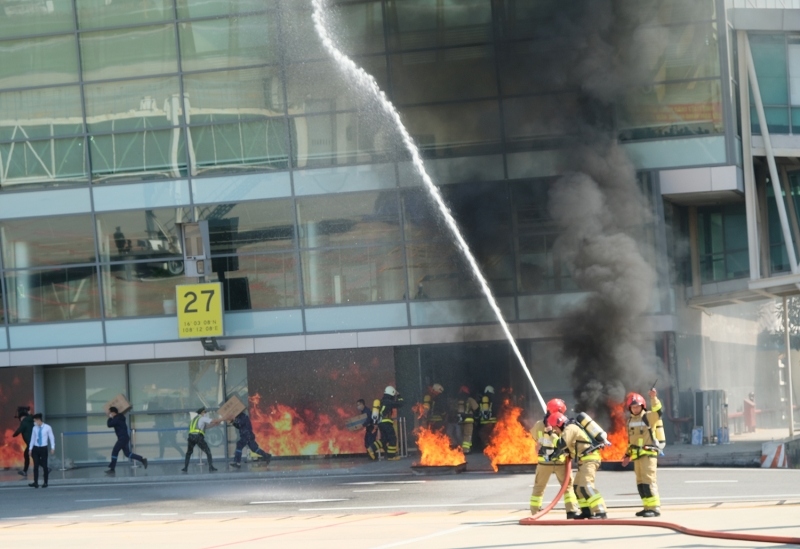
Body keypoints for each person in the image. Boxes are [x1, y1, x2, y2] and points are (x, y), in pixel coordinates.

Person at [548, 411, 607, 519]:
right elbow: (572, 446)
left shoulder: (570, 428)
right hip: (583, 461)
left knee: (586, 485)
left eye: (555, 428)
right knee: (577, 487)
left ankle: (601, 511)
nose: (555, 431)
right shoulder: (570, 429)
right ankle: (586, 511)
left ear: (559, 424)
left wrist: (551, 435)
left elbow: (562, 444)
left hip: (589, 459)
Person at [529, 398, 579, 519]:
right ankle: (571, 511)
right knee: (567, 487)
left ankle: (535, 512)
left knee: (539, 487)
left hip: (544, 463)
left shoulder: (538, 425)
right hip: (561, 461)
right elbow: (566, 441)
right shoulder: (563, 424)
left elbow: (535, 438)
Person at [621, 389, 666, 518]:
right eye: (633, 407)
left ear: (642, 406)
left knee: (649, 481)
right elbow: (631, 441)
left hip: (648, 455)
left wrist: (653, 398)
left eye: (637, 406)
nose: (635, 409)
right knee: (640, 483)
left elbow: (659, 412)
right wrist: (627, 455)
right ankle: (647, 507)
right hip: (637, 457)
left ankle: (655, 508)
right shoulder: (630, 421)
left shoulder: (648, 417)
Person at [105, 406, 148, 474]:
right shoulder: (120, 417)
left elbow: (109, 424)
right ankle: (142, 460)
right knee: (127, 454)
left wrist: (110, 417)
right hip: (124, 438)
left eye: (110, 412)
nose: (109, 414)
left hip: (122, 438)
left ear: (113, 413)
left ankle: (112, 468)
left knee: (115, 451)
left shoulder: (117, 419)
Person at [367, 386, 404, 461]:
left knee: (384, 439)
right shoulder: (388, 401)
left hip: (381, 423)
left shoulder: (382, 401)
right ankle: (391, 456)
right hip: (386, 423)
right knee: (392, 438)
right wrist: (399, 395)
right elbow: (400, 404)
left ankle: (371, 448)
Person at [181, 407, 221, 473]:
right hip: (198, 437)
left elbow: (205, 427)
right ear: (202, 413)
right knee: (208, 451)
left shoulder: (194, 419)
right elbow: (214, 420)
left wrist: (214, 425)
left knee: (189, 452)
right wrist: (222, 419)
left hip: (191, 437)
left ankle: (185, 468)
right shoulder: (202, 418)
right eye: (205, 412)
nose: (206, 413)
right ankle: (211, 467)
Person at [28, 413, 54, 489]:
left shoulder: (47, 427)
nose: (34, 422)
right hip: (36, 448)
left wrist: (52, 447)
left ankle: (45, 482)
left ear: (39, 420)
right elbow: (32, 438)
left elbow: (51, 438)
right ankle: (35, 482)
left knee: (44, 466)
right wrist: (30, 448)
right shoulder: (34, 428)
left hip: (43, 448)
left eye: (35, 421)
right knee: (36, 465)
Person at [456, 386, 479, 453]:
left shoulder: (458, 400)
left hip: (460, 420)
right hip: (468, 420)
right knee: (467, 435)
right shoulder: (470, 400)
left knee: (461, 435)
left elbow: (455, 410)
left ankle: (461, 449)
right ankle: (466, 450)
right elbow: (476, 408)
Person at [12, 405, 33, 477]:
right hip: (33, 442)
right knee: (27, 455)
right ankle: (24, 471)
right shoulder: (31, 420)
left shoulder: (24, 422)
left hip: (30, 443)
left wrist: (14, 435)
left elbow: (18, 431)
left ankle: (46, 468)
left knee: (33, 457)